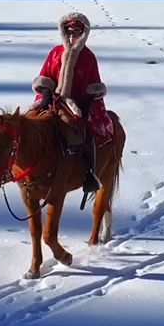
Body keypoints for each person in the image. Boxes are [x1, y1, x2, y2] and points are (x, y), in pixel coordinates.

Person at [31, 12, 108, 196]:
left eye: (77, 33)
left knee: (85, 133)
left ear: (83, 34)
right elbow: (45, 74)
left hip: (77, 105)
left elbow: (94, 82)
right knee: (30, 125)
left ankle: (90, 173)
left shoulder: (88, 57)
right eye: (70, 32)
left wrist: (89, 100)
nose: (73, 36)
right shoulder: (56, 53)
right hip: (53, 101)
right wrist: (45, 92)